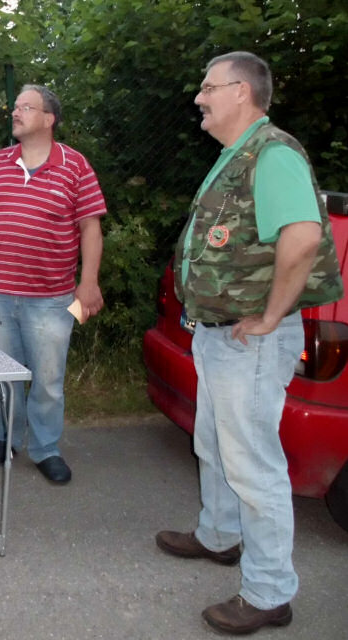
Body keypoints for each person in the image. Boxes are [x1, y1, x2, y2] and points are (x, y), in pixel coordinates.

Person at [155, 51, 343, 635]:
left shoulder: (274, 153)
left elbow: (302, 237)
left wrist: (270, 315)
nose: (199, 97)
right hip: (218, 334)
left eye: (208, 87)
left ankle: (268, 593)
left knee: (254, 465)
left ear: (242, 91)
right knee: (214, 443)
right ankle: (219, 535)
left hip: (251, 341)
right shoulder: (235, 155)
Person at [0, 84, 106, 485]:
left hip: (50, 298)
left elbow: (90, 227)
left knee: (47, 379)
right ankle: (7, 438)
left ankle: (46, 449)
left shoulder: (75, 165)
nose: (16, 112)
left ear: (49, 119)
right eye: (15, 106)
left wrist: (89, 282)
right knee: (1, 374)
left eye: (26, 107)